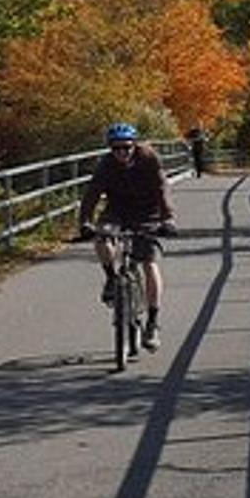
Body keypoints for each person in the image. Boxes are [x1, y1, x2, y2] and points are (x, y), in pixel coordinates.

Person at [77, 123, 178, 351]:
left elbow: (162, 188)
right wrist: (85, 222)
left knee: (149, 263)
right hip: (117, 211)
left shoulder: (149, 158)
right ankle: (112, 278)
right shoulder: (106, 164)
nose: (121, 153)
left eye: (126, 147)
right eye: (116, 149)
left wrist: (168, 219)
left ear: (135, 145)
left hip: (148, 213)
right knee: (102, 238)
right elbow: (92, 193)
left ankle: (152, 323)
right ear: (110, 149)